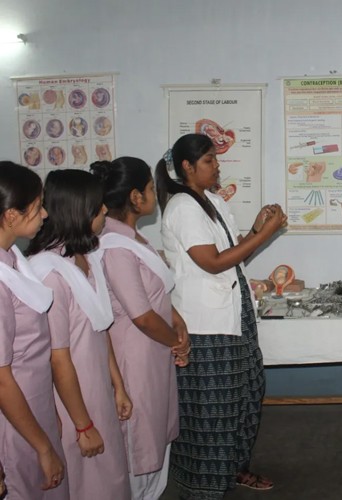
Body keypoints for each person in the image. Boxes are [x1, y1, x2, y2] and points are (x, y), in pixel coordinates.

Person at [155, 133, 287, 499]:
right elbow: (211, 263)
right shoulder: (182, 206)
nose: (217, 165)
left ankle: (234, 469)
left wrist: (258, 228)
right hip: (205, 325)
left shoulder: (209, 201)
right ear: (187, 166)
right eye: (210, 160)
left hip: (234, 314)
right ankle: (203, 487)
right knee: (213, 410)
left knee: (246, 395)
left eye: (215, 159)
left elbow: (232, 254)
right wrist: (266, 236)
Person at [26, 169, 132, 500]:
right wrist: (82, 426)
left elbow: (102, 329)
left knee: (111, 479)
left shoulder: (83, 258)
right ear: (78, 211)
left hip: (96, 390)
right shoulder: (49, 274)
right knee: (88, 485)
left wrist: (118, 385)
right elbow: (58, 359)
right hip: (73, 402)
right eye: (97, 206)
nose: (104, 211)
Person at [90, 157, 190, 500]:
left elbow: (157, 295)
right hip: (135, 355)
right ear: (135, 197)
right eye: (149, 188)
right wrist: (176, 339)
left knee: (155, 433)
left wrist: (178, 321)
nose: (153, 194)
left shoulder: (134, 239)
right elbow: (142, 316)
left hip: (154, 351)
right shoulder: (114, 247)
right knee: (139, 442)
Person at [0, 161, 67, 498]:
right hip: (13, 419)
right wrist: (41, 446)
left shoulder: (12, 257)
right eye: (38, 206)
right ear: (11, 215)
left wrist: (49, 411)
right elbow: (1, 377)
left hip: (34, 401)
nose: (44, 215)